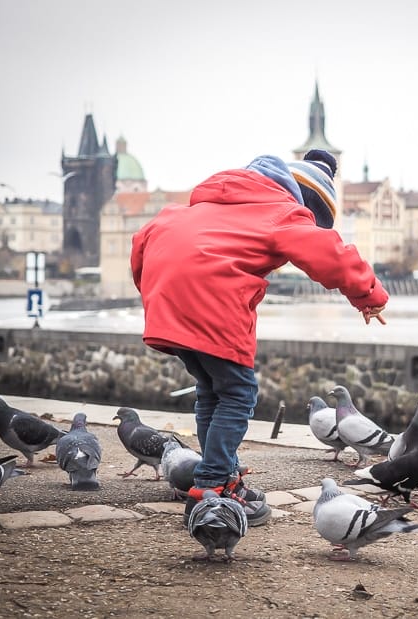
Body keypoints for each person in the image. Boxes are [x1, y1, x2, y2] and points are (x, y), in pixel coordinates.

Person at [130, 149, 388, 525]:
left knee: (211, 391)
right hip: (213, 303)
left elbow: (143, 241)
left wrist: (159, 297)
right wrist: (369, 295)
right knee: (238, 394)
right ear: (307, 203)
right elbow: (326, 252)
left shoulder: (207, 203)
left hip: (167, 305)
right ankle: (215, 485)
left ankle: (221, 472)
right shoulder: (280, 210)